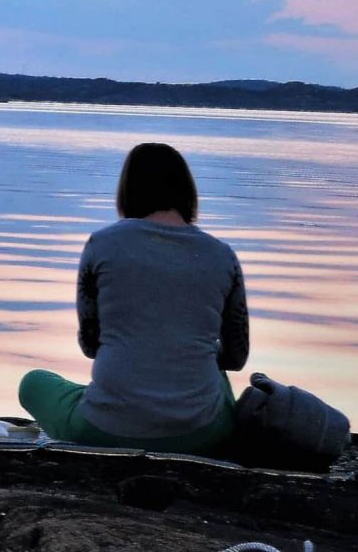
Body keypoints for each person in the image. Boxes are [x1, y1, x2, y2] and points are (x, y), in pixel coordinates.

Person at [18, 142, 249, 454]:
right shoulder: (223, 256)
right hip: (202, 434)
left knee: (33, 383)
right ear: (187, 192)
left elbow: (91, 345)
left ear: (127, 191)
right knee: (213, 368)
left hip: (104, 429)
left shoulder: (101, 245)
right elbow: (236, 357)